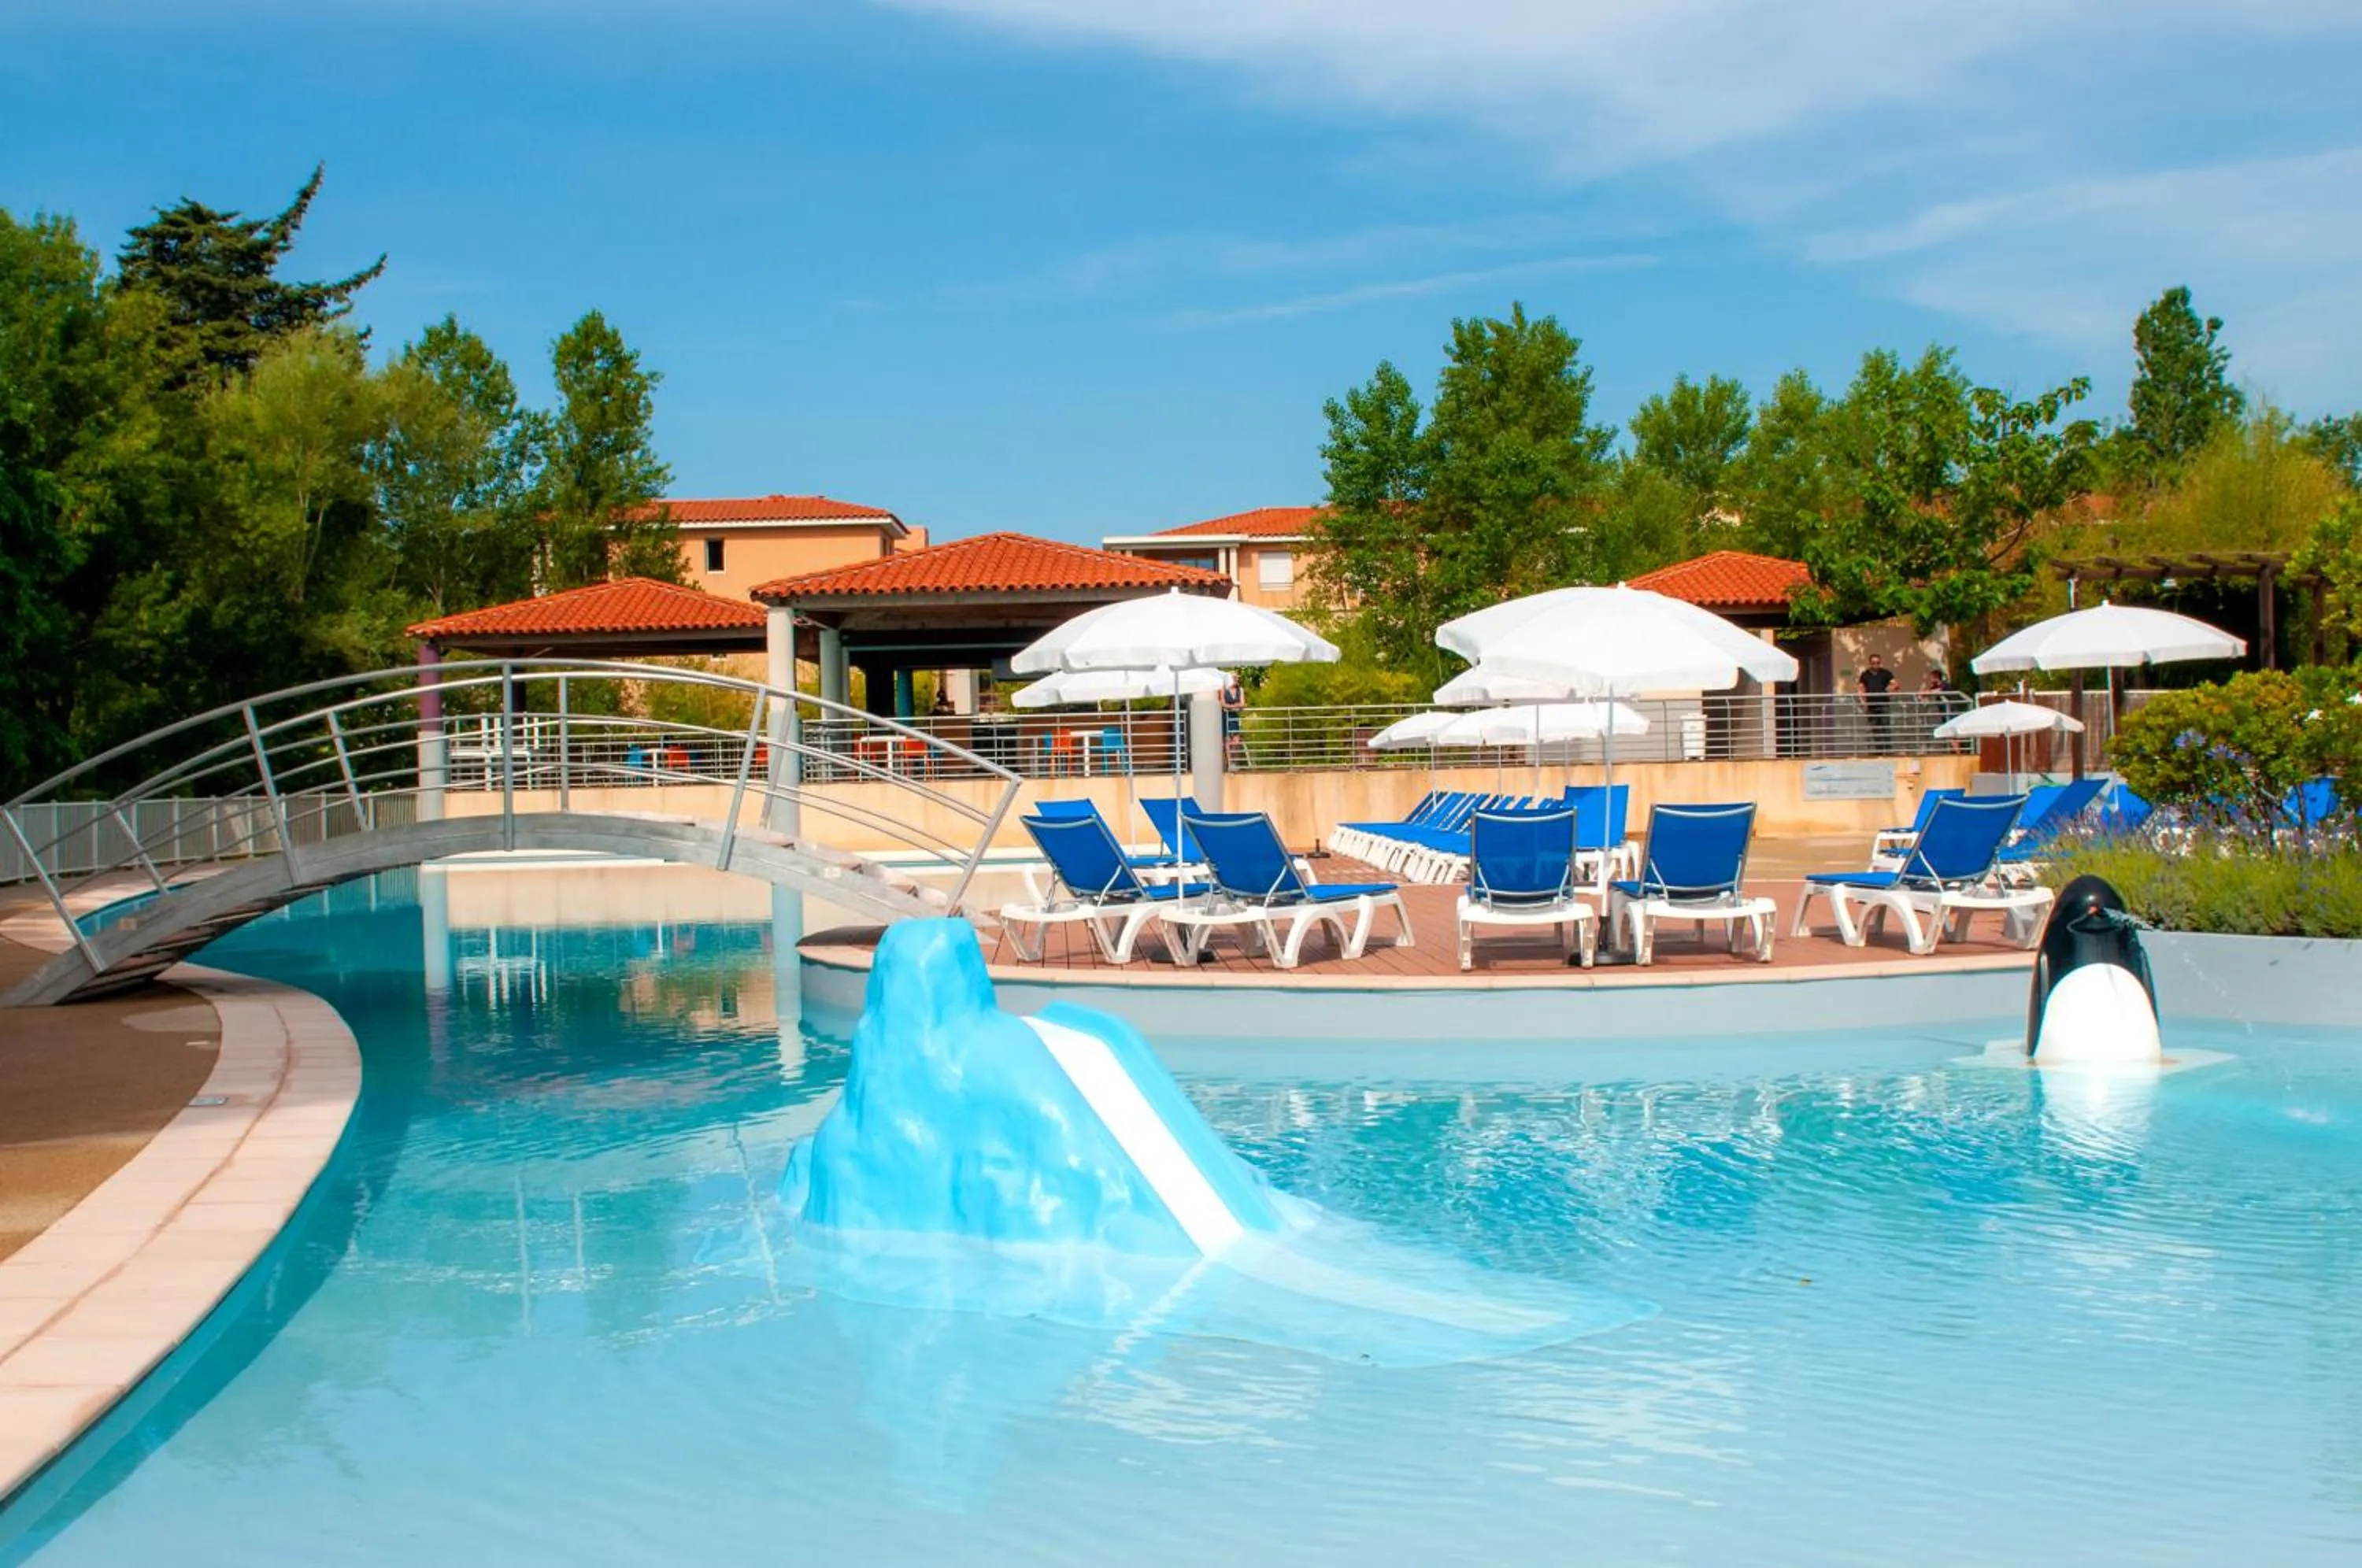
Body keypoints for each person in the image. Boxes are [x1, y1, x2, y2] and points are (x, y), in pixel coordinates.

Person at [1857, 653, 1897, 751]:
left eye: (1878, 663)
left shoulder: (1886, 673)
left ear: (1880, 663)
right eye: (1873, 663)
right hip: (1872, 705)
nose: (1876, 665)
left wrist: (1888, 691)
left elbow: (1896, 685)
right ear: (1870, 663)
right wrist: (1863, 702)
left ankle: (1887, 750)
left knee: (1885, 727)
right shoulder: (1865, 674)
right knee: (1875, 728)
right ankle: (1879, 750)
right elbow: (1861, 689)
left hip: (1884, 705)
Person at [1220, 677, 1246, 767]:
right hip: (1225, 717)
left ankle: (1234, 762)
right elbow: (1223, 704)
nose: (1236, 680)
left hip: (1234, 717)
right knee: (1227, 740)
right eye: (1234, 678)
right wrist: (1236, 706)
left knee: (1236, 741)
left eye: (1237, 679)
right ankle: (1230, 763)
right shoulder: (1223, 689)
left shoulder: (1240, 690)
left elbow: (1243, 704)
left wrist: (1230, 707)